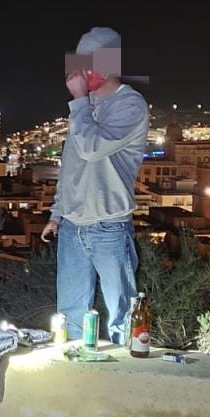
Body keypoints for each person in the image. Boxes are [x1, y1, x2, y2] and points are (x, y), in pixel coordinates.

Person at [40, 26, 149, 345]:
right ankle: (74, 370)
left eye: (85, 63)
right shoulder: (84, 108)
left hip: (109, 226)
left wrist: (78, 101)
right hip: (72, 226)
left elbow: (91, 148)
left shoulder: (130, 105)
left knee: (122, 314)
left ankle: (126, 368)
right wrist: (57, 214)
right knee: (70, 313)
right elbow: (71, 166)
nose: (78, 72)